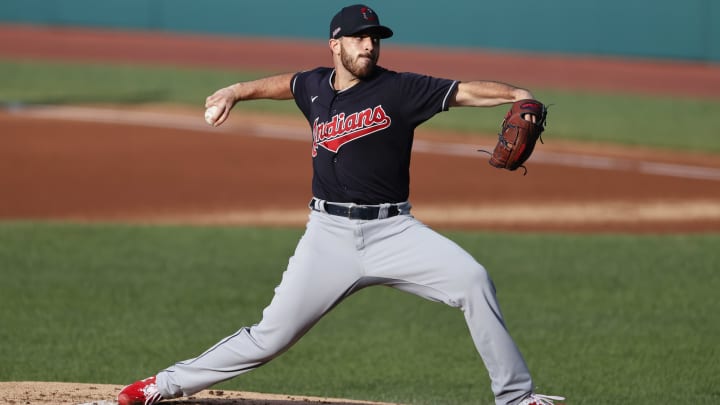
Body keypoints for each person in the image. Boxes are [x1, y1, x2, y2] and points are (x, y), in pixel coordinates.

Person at [117, 4, 564, 405]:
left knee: (473, 280)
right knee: (270, 338)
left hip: (395, 232)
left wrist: (517, 94)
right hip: (328, 237)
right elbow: (286, 84)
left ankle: (516, 397)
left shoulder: (401, 89)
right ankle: (164, 384)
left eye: (375, 39)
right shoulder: (314, 84)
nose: (369, 46)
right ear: (335, 44)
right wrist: (235, 90)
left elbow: (465, 91)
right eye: (359, 38)